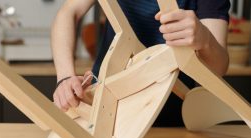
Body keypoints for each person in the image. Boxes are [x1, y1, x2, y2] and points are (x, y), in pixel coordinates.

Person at [51, 0, 230, 126]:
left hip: (171, 114)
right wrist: (65, 77)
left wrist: (205, 39)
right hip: (105, 108)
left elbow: (218, 67)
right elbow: (69, 11)